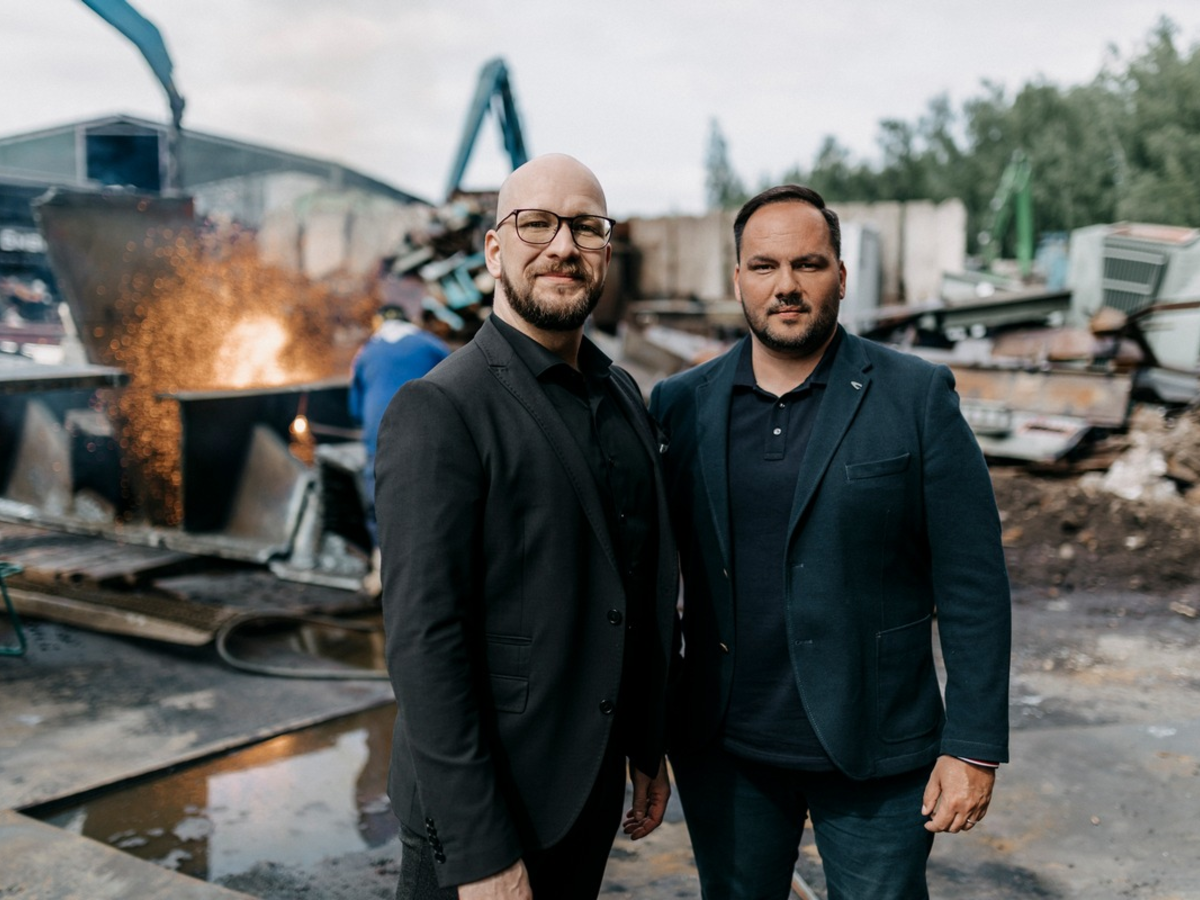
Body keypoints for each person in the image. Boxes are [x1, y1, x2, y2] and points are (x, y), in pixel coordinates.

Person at [648, 184, 1011, 900]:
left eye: (808, 264)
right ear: (738, 280)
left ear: (841, 277)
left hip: (879, 748)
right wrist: (647, 732)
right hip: (727, 753)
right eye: (764, 266)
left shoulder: (916, 396)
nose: (785, 285)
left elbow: (972, 581)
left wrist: (973, 746)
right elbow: (654, 581)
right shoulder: (681, 404)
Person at [375, 154, 678, 899]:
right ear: (493, 250)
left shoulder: (621, 395)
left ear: (606, 248)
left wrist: (645, 743)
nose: (563, 246)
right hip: (485, 816)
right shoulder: (441, 409)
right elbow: (423, 644)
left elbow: (634, 586)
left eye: (585, 227)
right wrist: (481, 853)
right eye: (536, 224)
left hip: (587, 792)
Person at [348, 301, 450, 592]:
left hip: (378, 436)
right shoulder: (430, 344)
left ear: (378, 322)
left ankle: (381, 572)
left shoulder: (366, 352)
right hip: (428, 435)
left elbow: (355, 408)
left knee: (380, 500)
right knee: (435, 497)